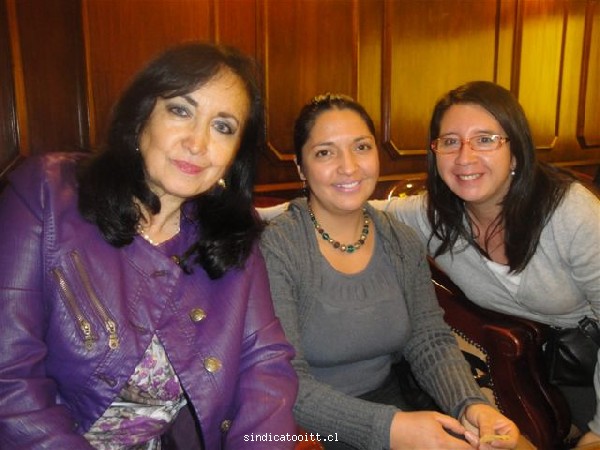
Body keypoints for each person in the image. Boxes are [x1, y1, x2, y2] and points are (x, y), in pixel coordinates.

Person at [0, 42, 298, 449]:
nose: (198, 143)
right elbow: (9, 377)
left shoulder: (232, 233)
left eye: (223, 127)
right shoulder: (46, 194)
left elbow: (264, 365)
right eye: (181, 110)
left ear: (235, 155)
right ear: (141, 116)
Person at [259, 93, 520, 450]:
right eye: (325, 152)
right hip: (304, 427)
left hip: (394, 406)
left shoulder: (400, 240)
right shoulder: (279, 248)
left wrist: (471, 405)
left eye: (361, 147)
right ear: (301, 168)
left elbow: (428, 339)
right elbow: (284, 380)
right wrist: (392, 429)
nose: (349, 166)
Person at [368, 80, 600, 447]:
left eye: (485, 139)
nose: (465, 157)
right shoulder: (435, 217)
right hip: (528, 368)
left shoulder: (570, 212)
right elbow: (352, 209)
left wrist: (598, 432)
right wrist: (267, 219)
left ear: (515, 151)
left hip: (588, 366)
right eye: (450, 141)